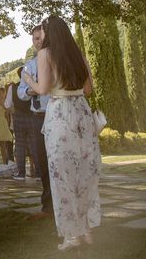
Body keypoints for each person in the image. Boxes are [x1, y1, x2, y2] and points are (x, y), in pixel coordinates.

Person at [23, 16, 100, 252]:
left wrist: (28, 80)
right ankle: (86, 230)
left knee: (62, 175)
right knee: (85, 172)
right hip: (82, 113)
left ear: (48, 33)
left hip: (60, 115)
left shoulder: (45, 54)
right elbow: (88, 89)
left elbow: (43, 89)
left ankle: (71, 235)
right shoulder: (79, 55)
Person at [18, 25, 51, 216]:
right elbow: (21, 93)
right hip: (37, 117)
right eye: (34, 39)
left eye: (40, 38)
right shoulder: (29, 66)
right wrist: (31, 89)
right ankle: (47, 205)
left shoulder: (55, 60)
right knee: (42, 162)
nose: (37, 42)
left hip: (54, 113)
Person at [4, 67, 39, 180]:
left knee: (19, 145)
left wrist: (14, 110)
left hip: (18, 117)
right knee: (35, 144)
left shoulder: (12, 88)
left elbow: (7, 105)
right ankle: (38, 172)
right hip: (32, 116)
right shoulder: (34, 86)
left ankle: (21, 173)